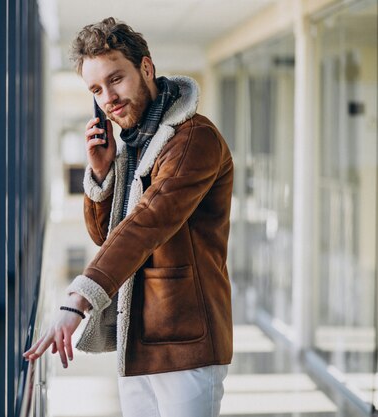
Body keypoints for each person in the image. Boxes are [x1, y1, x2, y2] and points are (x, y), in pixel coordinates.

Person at [24, 17, 234, 417]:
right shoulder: (135, 145)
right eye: (96, 90)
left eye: (115, 79)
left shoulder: (193, 139)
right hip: (137, 339)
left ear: (146, 68)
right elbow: (109, 235)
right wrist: (103, 174)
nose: (108, 97)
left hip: (186, 342)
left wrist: (78, 298)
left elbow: (147, 223)